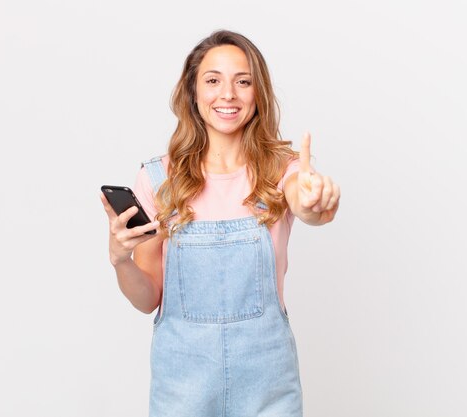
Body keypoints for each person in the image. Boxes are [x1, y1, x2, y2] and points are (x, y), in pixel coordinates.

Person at [100, 29, 340, 417]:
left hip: (268, 387)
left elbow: (307, 202)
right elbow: (147, 300)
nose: (227, 94)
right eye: (213, 81)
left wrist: (315, 200)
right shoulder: (160, 179)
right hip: (182, 390)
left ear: (257, 93)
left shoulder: (282, 171)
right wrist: (120, 260)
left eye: (242, 82)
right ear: (193, 93)